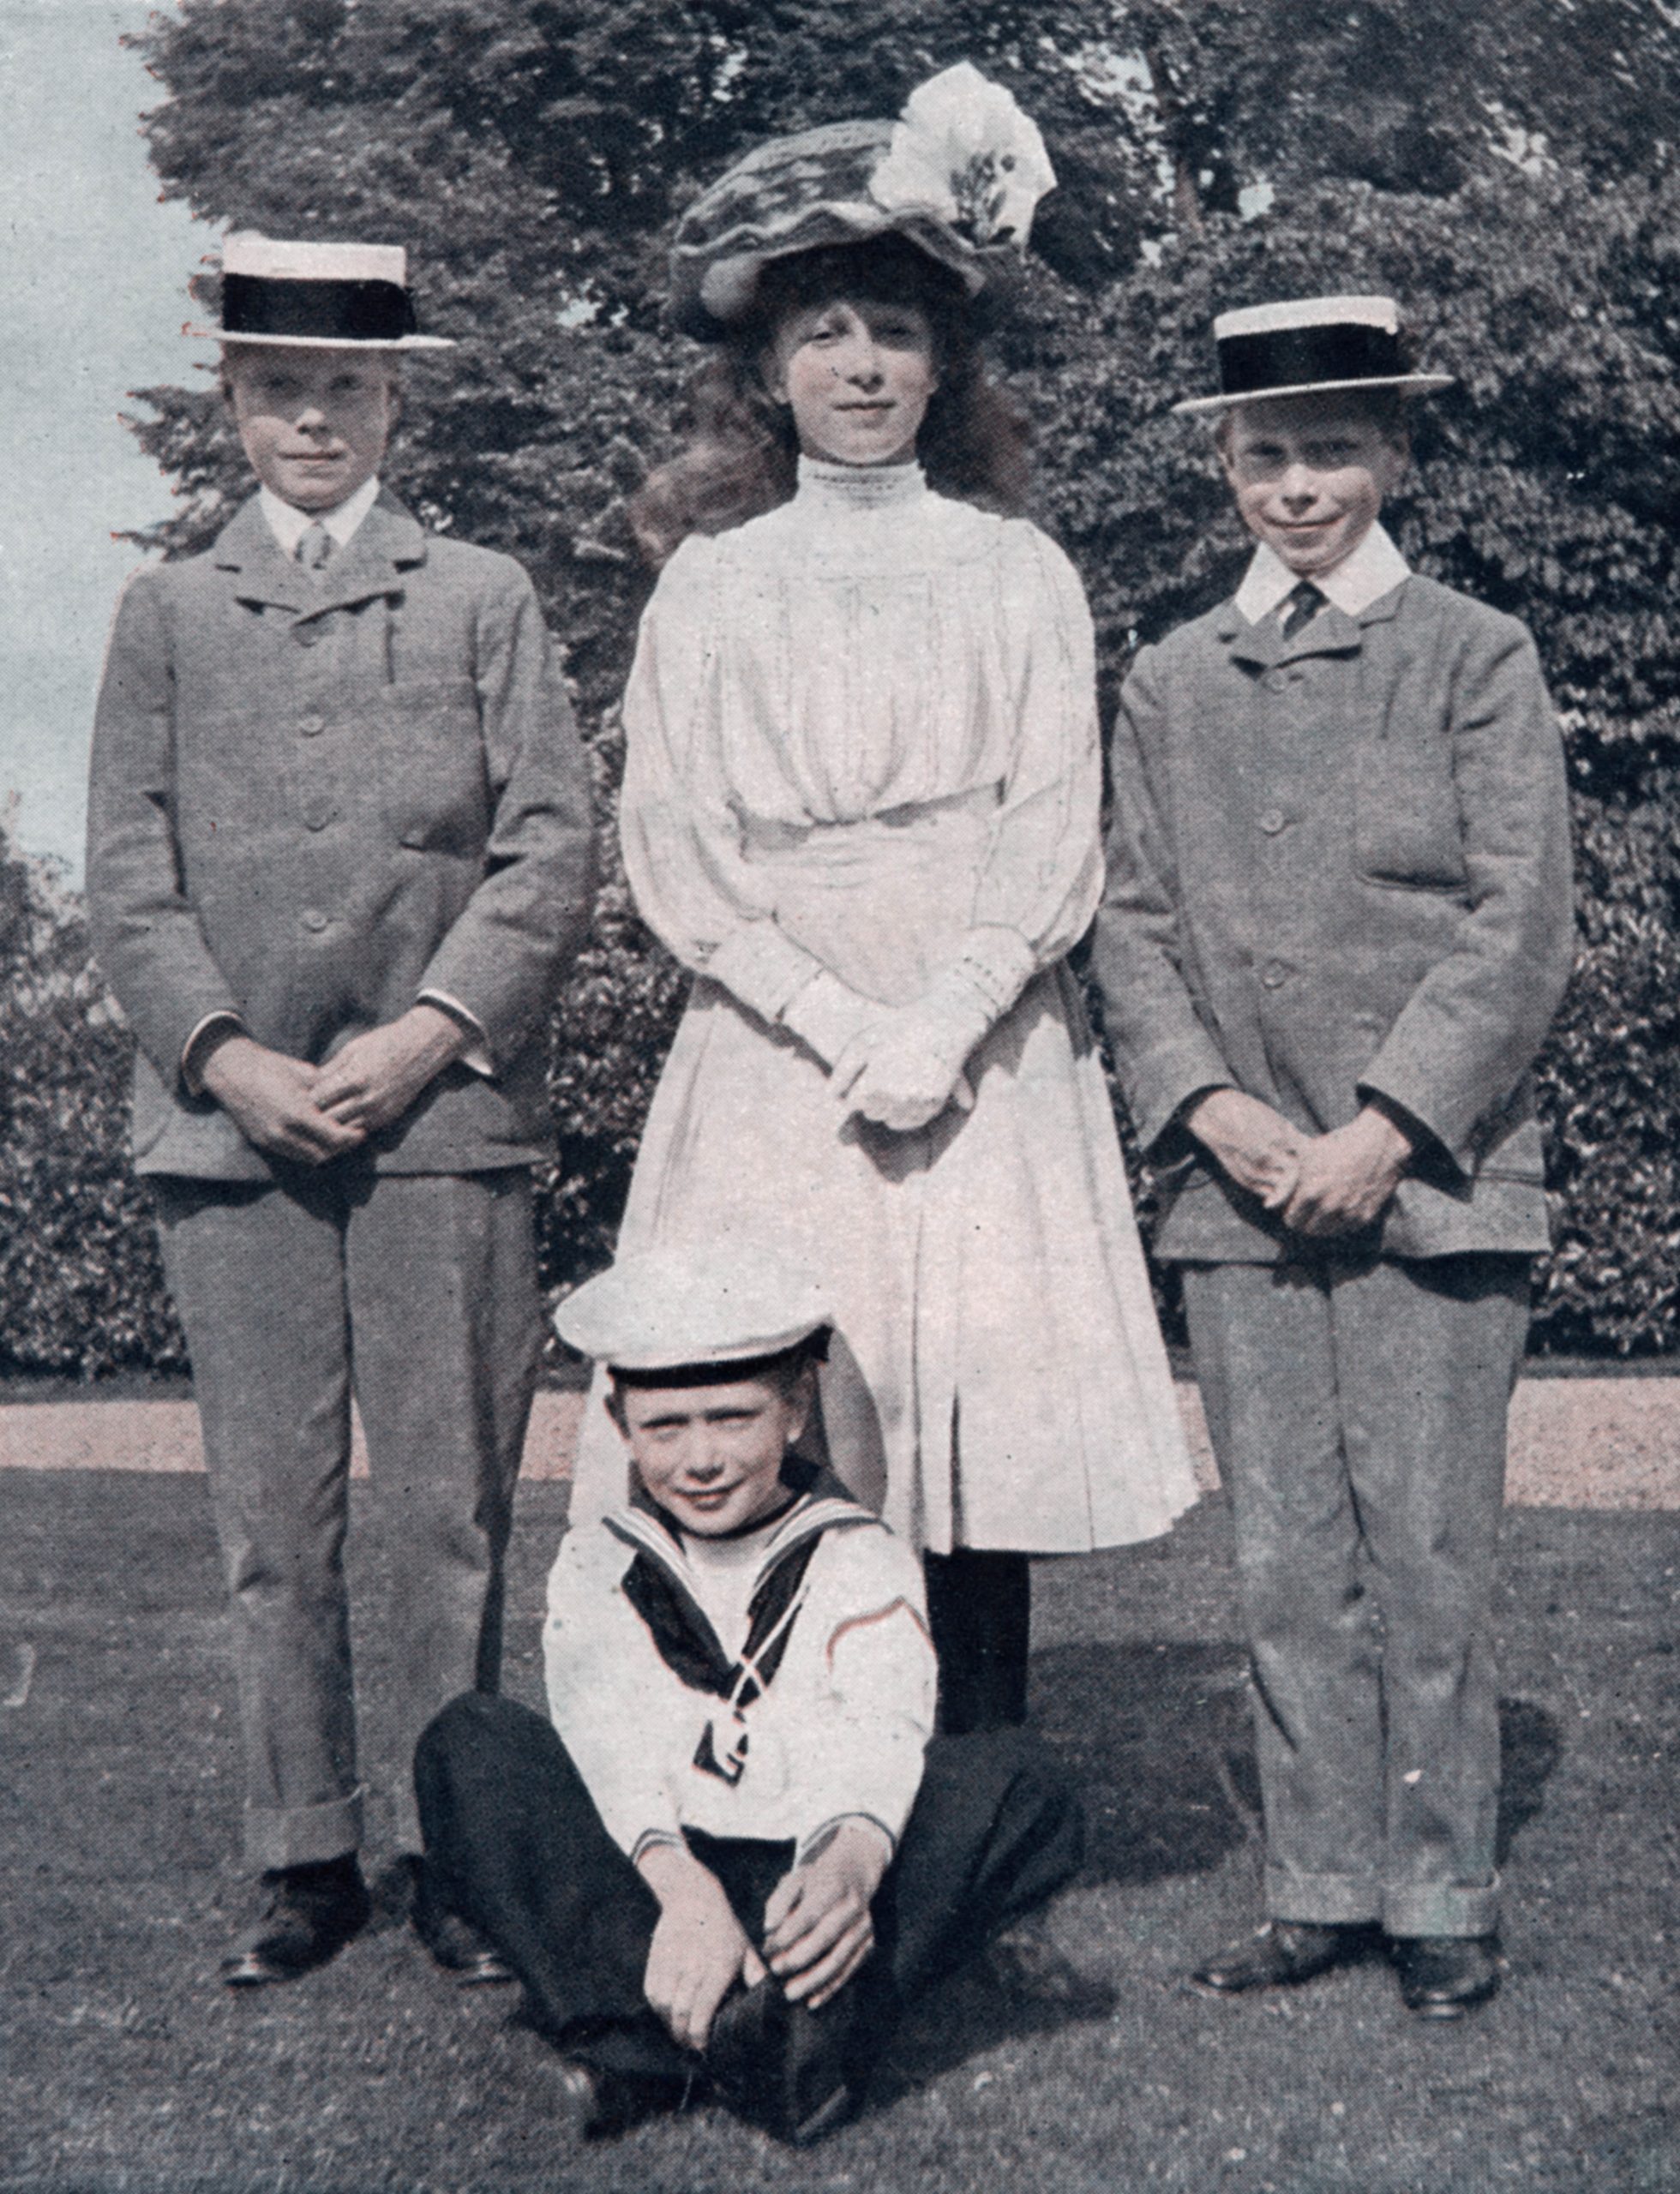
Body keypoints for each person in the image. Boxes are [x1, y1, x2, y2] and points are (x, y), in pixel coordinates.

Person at [568, 64, 1197, 1733]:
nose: (862, 367)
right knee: (790, 1392)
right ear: (767, 371)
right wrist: (843, 1020)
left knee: (966, 1405)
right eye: (826, 332)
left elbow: (1051, 823)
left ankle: (972, 1796)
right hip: (780, 1046)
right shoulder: (712, 584)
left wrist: (940, 1017)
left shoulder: (1012, 571)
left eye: (895, 333)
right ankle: (789, 1774)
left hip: (977, 1039)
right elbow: (679, 846)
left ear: (943, 361)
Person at [85, 234, 597, 1986]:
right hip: (233, 1133)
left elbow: (548, 843)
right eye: (281, 388)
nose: (314, 418)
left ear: (397, 400)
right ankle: (303, 1850)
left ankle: (457, 1842)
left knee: (450, 1502)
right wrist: (221, 1051)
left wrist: (438, 1026)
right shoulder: (165, 610)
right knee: (268, 1517)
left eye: (348, 388)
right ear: (234, 399)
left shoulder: (481, 595)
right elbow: (126, 870)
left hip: (443, 1120)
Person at [1091, 294, 1575, 2017]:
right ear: (1223, 464)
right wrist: (1213, 1112)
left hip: (1430, 1188)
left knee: (1425, 1548)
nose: (1298, 485)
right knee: (1284, 1557)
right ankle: (1313, 1875)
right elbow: (1126, 926)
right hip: (1237, 1197)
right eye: (1266, 453)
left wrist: (1382, 1126)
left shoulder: (1473, 653)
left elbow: (1517, 926)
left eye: (1332, 451)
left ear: (1392, 458)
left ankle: (1437, 1885)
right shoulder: (1166, 676)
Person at [414, 1244, 1086, 2145]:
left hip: (800, 1871)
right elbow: (606, 1739)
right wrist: (683, 1892)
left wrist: (846, 1864)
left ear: (795, 1407)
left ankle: (638, 2050)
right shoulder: (599, 1557)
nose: (700, 1459)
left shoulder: (854, 1550)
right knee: (469, 1740)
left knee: (1020, 1781)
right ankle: (781, 2041)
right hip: (654, 1878)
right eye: (665, 1427)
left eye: (732, 1418)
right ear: (619, 1422)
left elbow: (881, 1728)